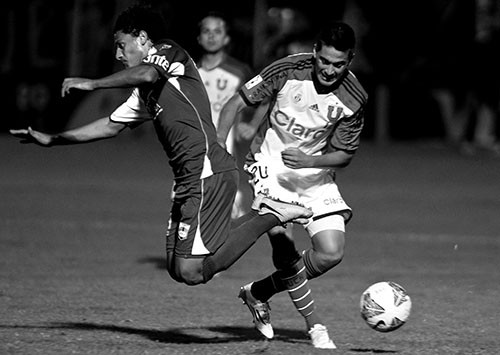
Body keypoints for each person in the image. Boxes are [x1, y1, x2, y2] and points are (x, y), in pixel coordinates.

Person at [9, 4, 313, 287]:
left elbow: (147, 72)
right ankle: (268, 215)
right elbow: (110, 125)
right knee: (175, 269)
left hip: (208, 170)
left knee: (191, 271)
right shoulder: (145, 93)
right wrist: (53, 139)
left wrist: (92, 82)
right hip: (187, 179)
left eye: (121, 44)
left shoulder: (169, 52)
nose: (117, 53)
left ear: (142, 38)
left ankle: (269, 214)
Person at [217, 22, 368, 349]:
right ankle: (315, 326)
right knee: (283, 245)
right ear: (315, 52)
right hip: (269, 165)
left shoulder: (354, 99)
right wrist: (217, 151)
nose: (329, 70)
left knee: (330, 254)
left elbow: (343, 155)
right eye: (324, 61)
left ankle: (257, 293)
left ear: (350, 60)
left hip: (312, 173)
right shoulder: (287, 69)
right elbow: (235, 103)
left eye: (338, 64)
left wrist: (310, 162)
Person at [196, 11, 255, 218]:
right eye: (206, 31)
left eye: (217, 31)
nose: (211, 36)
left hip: (224, 149)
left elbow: (265, 98)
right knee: (189, 207)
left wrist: (251, 124)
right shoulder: (189, 72)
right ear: (199, 38)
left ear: (226, 38)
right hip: (192, 147)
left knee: (227, 212)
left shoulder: (240, 71)